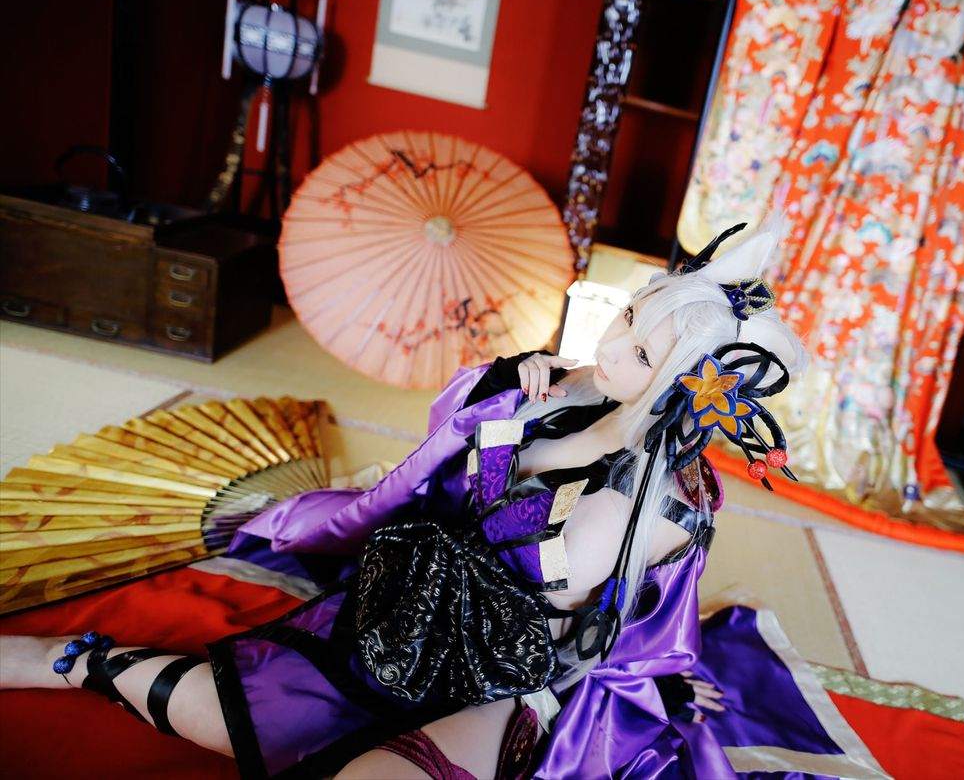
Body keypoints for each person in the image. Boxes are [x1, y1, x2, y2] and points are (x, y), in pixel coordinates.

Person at [0, 220, 811, 779]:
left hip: (511, 680)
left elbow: (614, 606)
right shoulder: (566, 385)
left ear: (682, 390)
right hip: (403, 611)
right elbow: (442, 461)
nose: (612, 344)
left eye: (642, 352)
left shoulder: (671, 505)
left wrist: (662, 682)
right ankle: (69, 660)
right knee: (216, 711)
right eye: (627, 315)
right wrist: (504, 390)